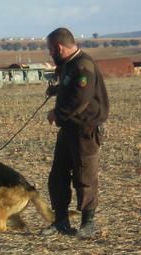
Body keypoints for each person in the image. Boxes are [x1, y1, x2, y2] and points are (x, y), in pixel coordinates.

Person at [43, 27, 109, 239]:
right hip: (69, 129)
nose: (50, 54)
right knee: (58, 176)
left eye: (51, 49)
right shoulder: (69, 65)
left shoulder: (83, 65)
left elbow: (81, 98)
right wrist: (56, 90)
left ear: (59, 47)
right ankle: (61, 221)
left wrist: (58, 114)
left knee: (84, 177)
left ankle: (88, 224)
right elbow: (69, 88)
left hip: (85, 129)